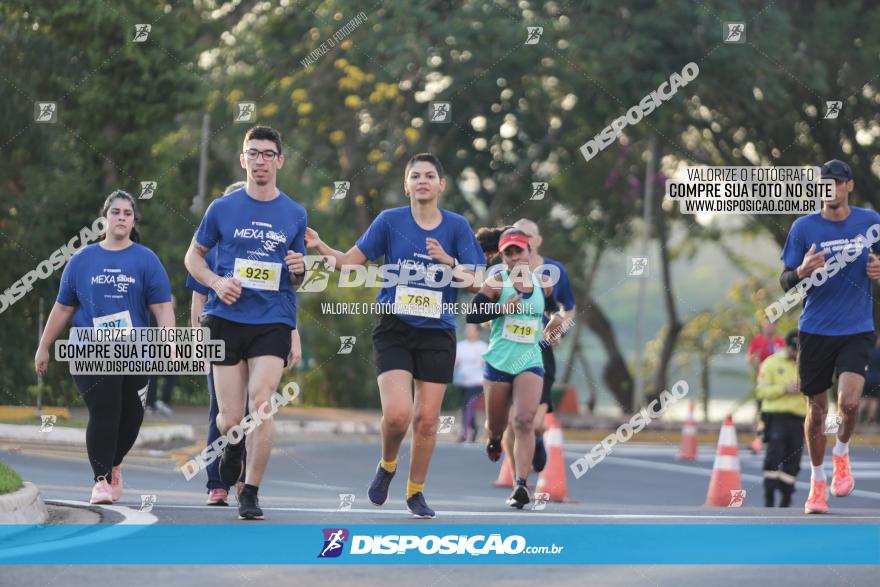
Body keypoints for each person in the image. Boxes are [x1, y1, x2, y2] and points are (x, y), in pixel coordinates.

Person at [305, 153, 485, 518]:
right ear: (406, 184)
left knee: (428, 420)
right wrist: (322, 246)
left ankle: (416, 491)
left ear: (441, 185)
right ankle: (387, 464)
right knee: (399, 415)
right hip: (394, 328)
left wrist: (450, 263)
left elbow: (480, 282)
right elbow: (351, 262)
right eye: (415, 175)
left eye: (430, 175)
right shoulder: (389, 221)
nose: (422, 181)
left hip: (438, 332)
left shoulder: (457, 227)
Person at [184, 125, 307, 520]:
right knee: (230, 417)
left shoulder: (294, 213)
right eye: (253, 153)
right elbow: (193, 258)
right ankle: (233, 443)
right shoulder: (221, 209)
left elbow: (298, 275)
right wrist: (217, 282)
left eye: (268, 153)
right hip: (226, 317)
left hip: (272, 319)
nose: (260, 160)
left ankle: (250, 491)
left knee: (263, 401)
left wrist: (301, 268)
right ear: (243, 160)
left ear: (279, 161)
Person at [34, 191, 174, 504]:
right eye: (115, 212)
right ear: (104, 218)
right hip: (90, 346)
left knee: (131, 417)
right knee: (105, 409)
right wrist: (44, 346)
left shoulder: (146, 260)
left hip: (135, 349)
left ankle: (114, 464)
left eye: (127, 213)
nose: (121, 217)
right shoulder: (82, 259)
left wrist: (169, 344)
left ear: (133, 219)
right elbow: (63, 309)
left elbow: (163, 308)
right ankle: (100, 480)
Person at [778, 158, 880, 514]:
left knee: (849, 403)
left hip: (857, 329)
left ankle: (841, 453)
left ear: (849, 186)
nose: (830, 188)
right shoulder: (804, 227)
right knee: (817, 411)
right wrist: (802, 270)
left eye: (837, 182)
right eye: (824, 183)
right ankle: (817, 481)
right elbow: (786, 281)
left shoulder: (871, 222)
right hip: (815, 330)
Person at [466, 227, 565, 508]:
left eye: (518, 250)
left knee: (523, 421)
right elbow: (472, 315)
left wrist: (554, 330)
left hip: (530, 363)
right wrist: (501, 309)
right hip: (498, 363)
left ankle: (521, 486)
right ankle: (494, 439)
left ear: (528, 253)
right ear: (502, 256)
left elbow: (549, 323)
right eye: (507, 252)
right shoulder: (497, 282)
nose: (513, 256)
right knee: (497, 425)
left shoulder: (543, 285)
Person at [503, 218, 576, 472]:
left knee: (535, 424)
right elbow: (484, 312)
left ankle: (536, 439)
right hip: (508, 350)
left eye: (527, 235)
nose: (521, 239)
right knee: (512, 422)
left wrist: (558, 331)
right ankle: (518, 482)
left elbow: (569, 309)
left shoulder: (554, 271)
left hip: (540, 351)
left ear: (537, 241)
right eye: (516, 234)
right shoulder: (501, 272)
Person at [756, 330, 806, 507]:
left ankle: (786, 499)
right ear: (786, 346)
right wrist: (783, 388)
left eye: (799, 349)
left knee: (793, 461)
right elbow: (761, 391)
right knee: (773, 457)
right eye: (793, 349)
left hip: (799, 419)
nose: (796, 353)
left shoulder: (808, 363)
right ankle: (769, 498)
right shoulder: (771, 363)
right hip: (776, 417)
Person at [746, 321, 786, 454]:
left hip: (780, 385)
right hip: (764, 384)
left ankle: (779, 441)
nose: (770, 327)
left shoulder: (780, 341)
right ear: (763, 325)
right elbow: (750, 359)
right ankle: (759, 442)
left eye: (773, 324)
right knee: (762, 414)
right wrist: (754, 359)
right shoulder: (757, 341)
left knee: (781, 414)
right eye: (768, 324)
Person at [454, 324, 487, 442]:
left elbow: (487, 364)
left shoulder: (482, 346)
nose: (469, 332)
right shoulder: (460, 346)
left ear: (477, 332)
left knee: (468, 404)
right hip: (462, 382)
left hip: (477, 382)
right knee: (466, 406)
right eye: (467, 330)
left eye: (472, 330)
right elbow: (456, 363)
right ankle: (475, 428)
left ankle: (464, 433)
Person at [146, 295, 177, 417]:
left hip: (165, 341)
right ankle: (150, 403)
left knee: (172, 371)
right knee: (152, 373)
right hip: (151, 340)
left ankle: (163, 401)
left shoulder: (167, 295)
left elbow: (172, 305)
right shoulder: (146, 296)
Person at [861, 341, 880, 425]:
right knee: (874, 399)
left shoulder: (868, 350)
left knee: (864, 398)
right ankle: (870, 421)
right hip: (876, 379)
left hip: (865, 378)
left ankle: (854, 418)